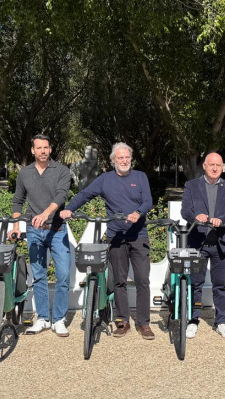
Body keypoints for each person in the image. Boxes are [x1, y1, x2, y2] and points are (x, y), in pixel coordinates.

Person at [60, 143, 155, 340]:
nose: (124, 161)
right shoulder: (105, 180)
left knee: (142, 280)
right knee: (119, 280)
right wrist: (69, 208)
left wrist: (138, 213)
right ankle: (122, 321)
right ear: (113, 161)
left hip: (139, 236)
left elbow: (148, 201)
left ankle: (144, 323)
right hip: (116, 236)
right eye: (120, 158)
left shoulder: (140, 177)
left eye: (127, 157)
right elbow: (85, 194)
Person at [9, 134, 72, 336]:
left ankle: (59, 319)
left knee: (63, 275)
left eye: (46, 147)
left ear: (50, 149)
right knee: (38, 276)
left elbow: (61, 195)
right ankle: (43, 318)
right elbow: (17, 201)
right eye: (39, 148)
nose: (43, 151)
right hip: (35, 232)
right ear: (32, 150)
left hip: (57, 230)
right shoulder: (25, 174)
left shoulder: (61, 171)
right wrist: (16, 225)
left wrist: (45, 214)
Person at [180, 152, 225, 340]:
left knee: (220, 285)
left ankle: (221, 321)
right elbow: (185, 210)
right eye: (211, 164)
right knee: (195, 284)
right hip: (198, 241)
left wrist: (222, 219)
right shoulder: (192, 185)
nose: (215, 168)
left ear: (222, 167)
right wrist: (195, 217)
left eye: (218, 165)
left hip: (221, 242)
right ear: (204, 165)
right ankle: (193, 320)